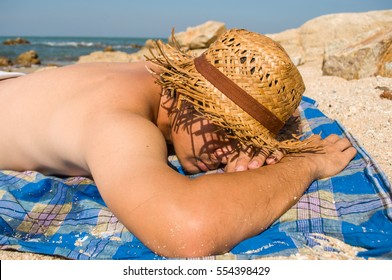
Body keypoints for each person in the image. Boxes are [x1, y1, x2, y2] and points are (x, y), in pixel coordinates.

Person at [0, 29, 356, 258]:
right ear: (189, 94)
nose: (228, 152)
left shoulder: (164, 75)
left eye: (243, 138)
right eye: (226, 128)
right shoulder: (119, 124)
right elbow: (186, 232)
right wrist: (304, 164)